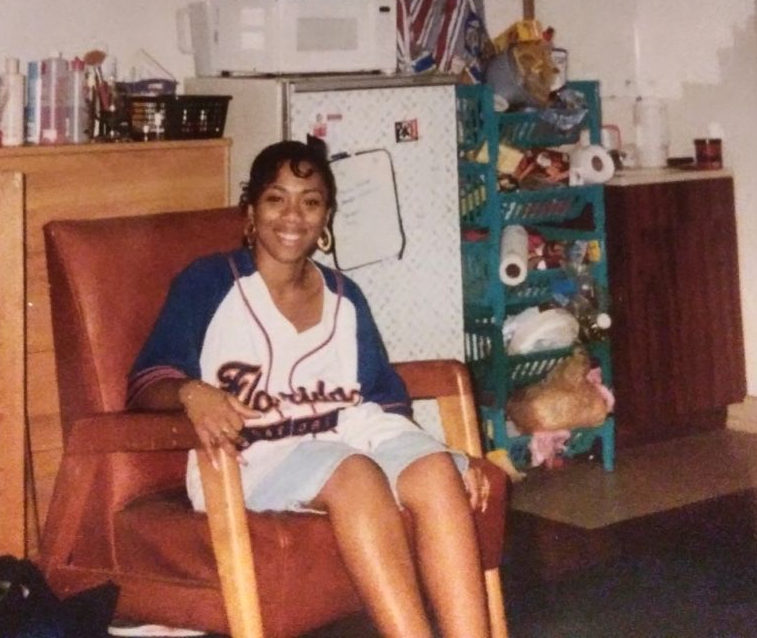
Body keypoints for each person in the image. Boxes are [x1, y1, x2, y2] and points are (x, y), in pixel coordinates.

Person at [127, 140, 491, 638]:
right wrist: (192, 392)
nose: (292, 215)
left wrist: (441, 455)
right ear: (251, 210)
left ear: (326, 219)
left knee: (435, 472)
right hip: (251, 463)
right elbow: (147, 383)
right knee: (355, 473)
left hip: (348, 440)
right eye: (276, 199)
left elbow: (380, 403)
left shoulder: (345, 296)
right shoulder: (209, 283)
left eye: (311, 201)